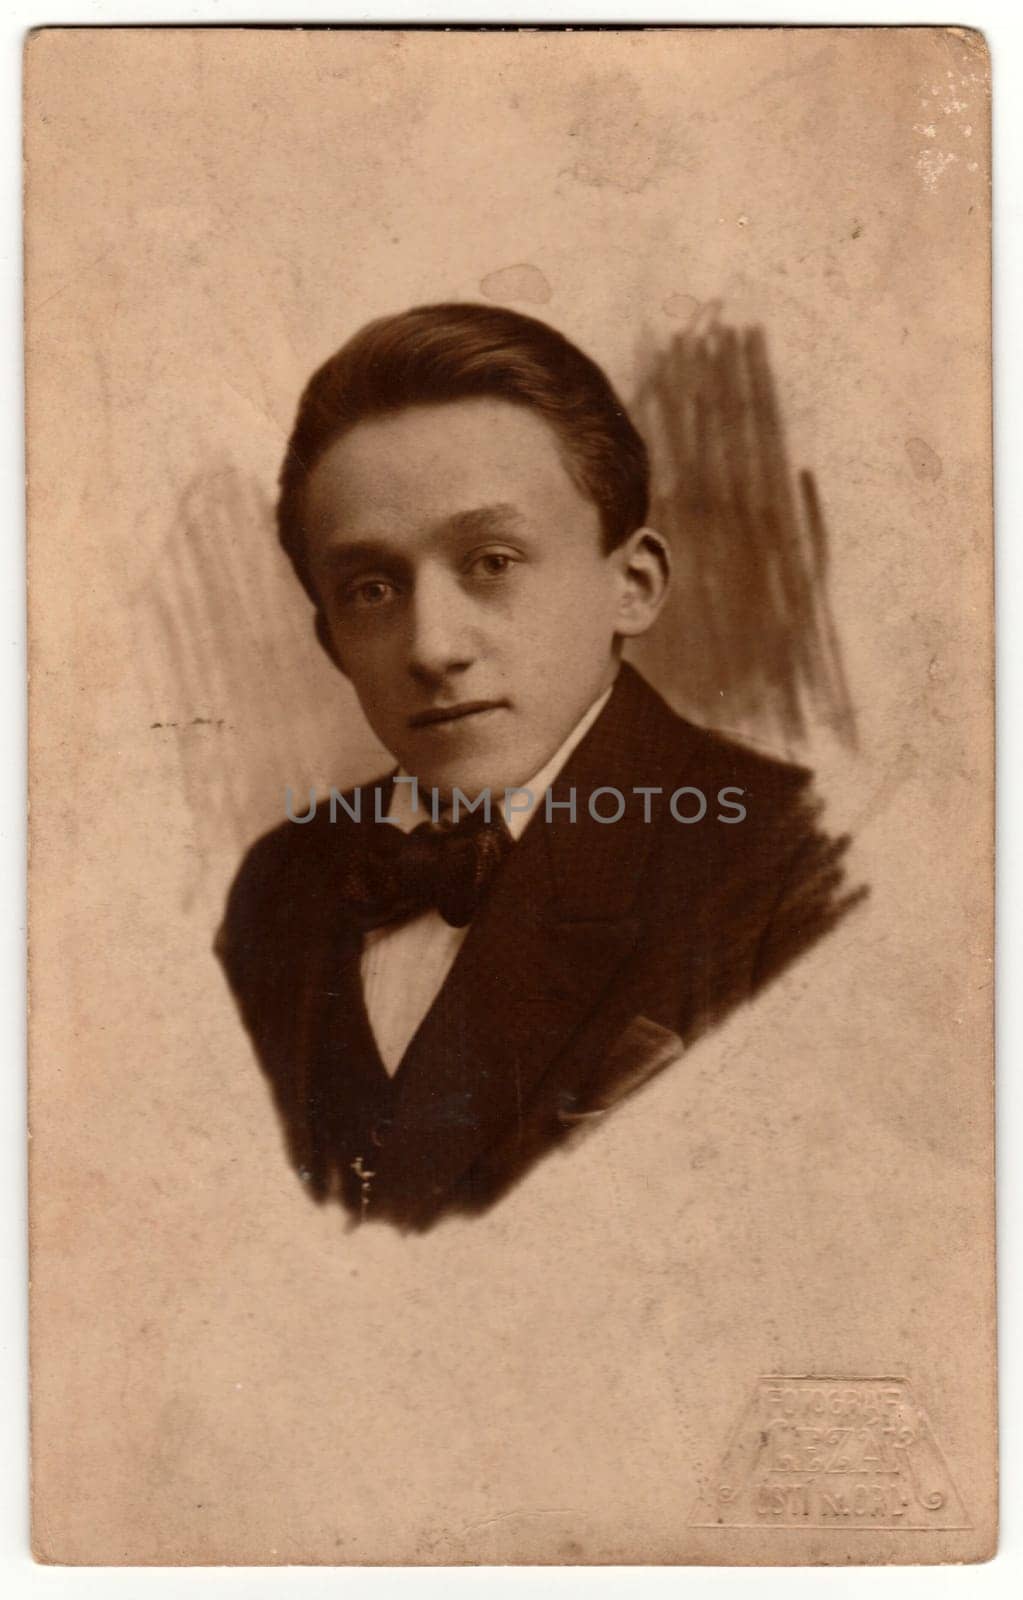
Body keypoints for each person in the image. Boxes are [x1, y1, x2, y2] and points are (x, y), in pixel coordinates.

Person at [216, 302, 862, 1231]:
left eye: (490, 560)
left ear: (630, 584)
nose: (432, 646)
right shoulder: (277, 883)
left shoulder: (792, 873)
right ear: (331, 641)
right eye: (371, 589)